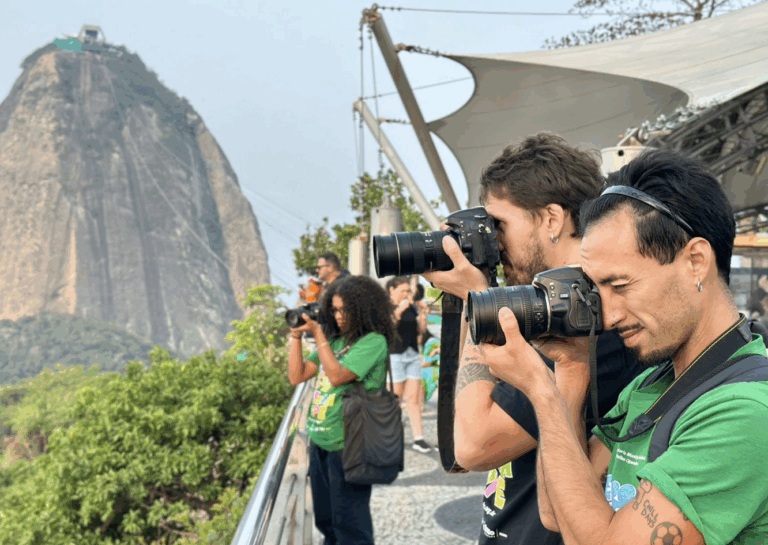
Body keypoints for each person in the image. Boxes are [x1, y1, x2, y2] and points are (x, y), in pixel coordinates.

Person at [482, 150, 768, 544]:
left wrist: (541, 391)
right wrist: (570, 371)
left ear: (696, 261)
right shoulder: (653, 385)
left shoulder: (745, 413)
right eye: (597, 289)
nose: (609, 315)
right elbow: (555, 512)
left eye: (620, 285)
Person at [423, 132, 644, 544]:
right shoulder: (539, 305)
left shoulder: (590, 321)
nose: (493, 243)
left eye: (499, 225)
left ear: (552, 219)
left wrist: (478, 299)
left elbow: (472, 445)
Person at [287, 275, 395, 545]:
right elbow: (297, 375)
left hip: (350, 445)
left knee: (351, 527)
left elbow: (337, 376)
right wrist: (296, 337)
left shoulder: (373, 342)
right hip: (320, 442)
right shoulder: (336, 342)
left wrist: (318, 334)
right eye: (334, 310)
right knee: (326, 522)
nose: (338, 317)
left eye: (344, 310)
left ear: (362, 309)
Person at [386, 276, 434, 453]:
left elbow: (421, 331)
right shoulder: (386, 307)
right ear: (391, 290)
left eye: (408, 291)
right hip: (395, 356)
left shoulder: (411, 307)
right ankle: (390, 438)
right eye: (403, 290)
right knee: (395, 399)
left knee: (413, 400)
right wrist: (400, 309)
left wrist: (423, 313)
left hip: (412, 355)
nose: (407, 294)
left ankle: (418, 439)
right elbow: (388, 327)